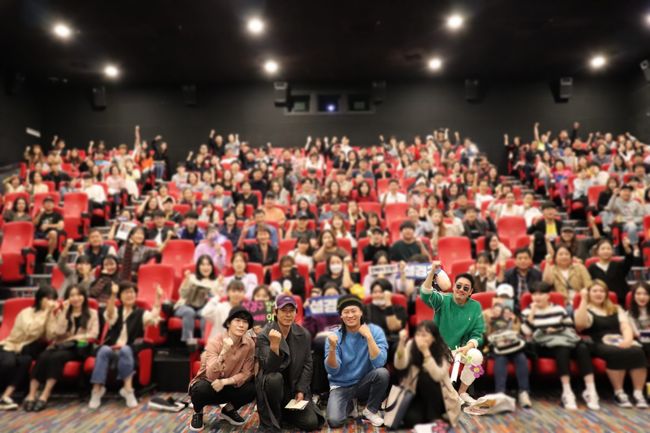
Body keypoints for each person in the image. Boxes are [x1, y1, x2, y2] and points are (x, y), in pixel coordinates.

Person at [521, 281, 599, 410]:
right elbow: (526, 332)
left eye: (541, 294)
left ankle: (591, 390)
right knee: (562, 349)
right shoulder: (527, 311)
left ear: (548, 295)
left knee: (582, 348)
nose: (537, 297)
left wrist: (555, 329)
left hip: (563, 340)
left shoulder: (558, 309)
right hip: (543, 345)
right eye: (534, 294)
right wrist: (533, 312)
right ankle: (567, 391)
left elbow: (570, 328)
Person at [255, 295, 324, 432]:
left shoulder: (303, 334)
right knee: (275, 378)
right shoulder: (264, 335)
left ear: (296, 313)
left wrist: (301, 389)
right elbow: (269, 368)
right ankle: (275, 415)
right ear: (275, 312)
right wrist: (274, 347)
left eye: (291, 311)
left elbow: (307, 365)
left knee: (311, 423)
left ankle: (285, 413)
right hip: (272, 387)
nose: (288, 314)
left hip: (293, 388)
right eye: (283, 310)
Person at [23, 286, 99, 411]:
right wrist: (64, 311)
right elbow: (58, 332)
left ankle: (45, 395)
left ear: (84, 297)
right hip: (61, 346)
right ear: (67, 298)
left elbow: (93, 334)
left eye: (79, 295)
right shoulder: (63, 312)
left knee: (56, 357)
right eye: (72, 295)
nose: (76, 298)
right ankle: (31, 394)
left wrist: (73, 338)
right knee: (43, 355)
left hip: (79, 347)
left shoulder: (93, 313)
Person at [574, 280, 648, 408]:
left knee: (637, 351)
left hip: (619, 339)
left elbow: (625, 326)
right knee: (615, 352)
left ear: (606, 294)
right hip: (598, 342)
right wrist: (583, 300)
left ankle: (638, 393)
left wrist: (628, 340)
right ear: (589, 293)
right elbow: (579, 325)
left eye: (602, 291)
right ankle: (619, 393)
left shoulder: (616, 308)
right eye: (595, 291)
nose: (599, 294)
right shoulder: (585, 309)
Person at [88, 280, 162, 409]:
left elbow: (153, 317)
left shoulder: (141, 313)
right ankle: (96, 390)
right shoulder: (117, 311)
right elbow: (109, 314)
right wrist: (113, 294)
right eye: (126, 292)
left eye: (132, 292)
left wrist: (158, 299)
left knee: (126, 349)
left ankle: (128, 390)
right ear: (120, 296)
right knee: (103, 350)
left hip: (130, 350)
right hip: (112, 349)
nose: (129, 295)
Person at [420, 267, 485, 404]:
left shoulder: (475, 307)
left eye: (466, 288)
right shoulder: (443, 300)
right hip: (440, 348)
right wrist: (432, 273)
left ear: (471, 292)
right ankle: (449, 394)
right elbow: (425, 294)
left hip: (461, 351)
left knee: (477, 356)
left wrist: (468, 346)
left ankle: (462, 392)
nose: (461, 290)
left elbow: (478, 332)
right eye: (458, 286)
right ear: (454, 287)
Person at [324, 294, 389, 428]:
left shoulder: (375, 331)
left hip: (364, 382)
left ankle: (370, 410)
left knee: (382, 373)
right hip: (341, 385)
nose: (350, 315)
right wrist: (332, 348)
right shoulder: (334, 336)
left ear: (361, 312)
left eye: (353, 311)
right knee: (334, 421)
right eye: (346, 312)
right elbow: (333, 371)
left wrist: (369, 337)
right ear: (341, 316)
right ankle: (350, 404)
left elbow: (379, 363)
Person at [188, 306, 256, 430]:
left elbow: (246, 373)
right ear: (229, 323)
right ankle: (198, 412)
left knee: (253, 388)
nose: (241, 325)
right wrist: (224, 351)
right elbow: (211, 375)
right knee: (200, 389)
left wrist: (225, 382)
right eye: (237, 320)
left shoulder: (249, 344)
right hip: (209, 384)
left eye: (245, 322)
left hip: (229, 384)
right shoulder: (215, 341)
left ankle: (228, 409)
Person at [394, 321, 461, 429]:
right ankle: (429, 417)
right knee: (411, 420)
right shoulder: (411, 345)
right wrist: (401, 343)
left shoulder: (442, 349)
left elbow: (438, 376)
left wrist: (426, 352)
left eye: (424, 335)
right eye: (418, 334)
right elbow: (400, 365)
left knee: (425, 377)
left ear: (434, 338)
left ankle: (435, 417)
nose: (420, 338)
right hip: (416, 394)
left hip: (440, 395)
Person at [0, 286, 58, 411]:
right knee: (8, 363)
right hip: (11, 346)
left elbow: (50, 335)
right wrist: (46, 313)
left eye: (53, 299)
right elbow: (30, 330)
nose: (51, 302)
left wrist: (51, 316)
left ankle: (5, 396)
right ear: (40, 299)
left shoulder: (48, 314)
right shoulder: (26, 312)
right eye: (48, 299)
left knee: (26, 361)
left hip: (25, 350)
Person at [483, 284, 531, 407]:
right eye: (501, 297)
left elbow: (517, 334)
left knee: (521, 357)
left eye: (507, 298)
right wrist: (491, 321)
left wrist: (512, 321)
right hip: (496, 346)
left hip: (512, 345)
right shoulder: (487, 313)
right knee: (501, 358)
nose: (504, 300)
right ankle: (500, 393)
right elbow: (484, 334)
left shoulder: (513, 315)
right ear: (496, 297)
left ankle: (524, 392)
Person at [174, 255, 220, 349]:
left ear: (212, 267)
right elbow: (182, 294)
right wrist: (186, 281)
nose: (205, 267)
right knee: (189, 311)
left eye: (208, 265)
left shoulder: (215, 282)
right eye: (202, 264)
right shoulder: (191, 277)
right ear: (198, 267)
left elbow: (217, 300)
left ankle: (205, 343)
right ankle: (189, 342)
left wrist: (212, 294)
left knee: (206, 314)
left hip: (203, 307)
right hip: (185, 305)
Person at [365, 279, 408, 360]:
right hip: (374, 343)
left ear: (388, 293)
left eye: (381, 292)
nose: (377, 295)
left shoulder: (399, 309)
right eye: (374, 292)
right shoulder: (366, 309)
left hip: (393, 343)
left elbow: (393, 327)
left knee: (400, 348)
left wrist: (388, 303)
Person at [587, 238, 634, 305]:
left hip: (619, 301)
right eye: (603, 249)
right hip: (600, 302)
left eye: (608, 249)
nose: (606, 251)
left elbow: (629, 260)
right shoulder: (592, 268)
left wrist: (627, 248)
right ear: (597, 251)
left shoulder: (619, 265)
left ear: (612, 251)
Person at [33, 196, 64, 263]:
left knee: (53, 233)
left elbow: (61, 226)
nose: (49, 204)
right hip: (39, 234)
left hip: (50, 234)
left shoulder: (57, 215)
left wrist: (48, 226)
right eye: (47, 203)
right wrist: (40, 213)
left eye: (50, 202)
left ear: (53, 205)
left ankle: (49, 256)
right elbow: (34, 224)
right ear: (43, 205)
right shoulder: (40, 214)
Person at [627, 282, 650, 364]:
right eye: (638, 294)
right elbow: (637, 334)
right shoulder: (629, 314)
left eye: (646, 294)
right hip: (641, 342)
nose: (642, 297)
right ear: (633, 296)